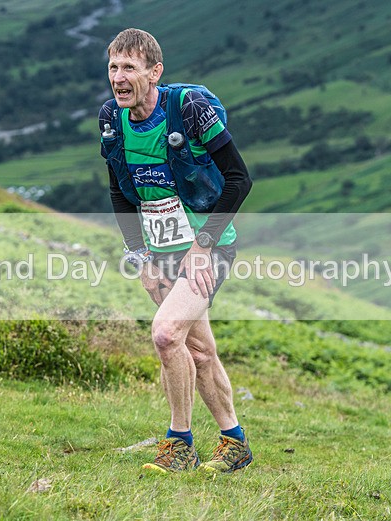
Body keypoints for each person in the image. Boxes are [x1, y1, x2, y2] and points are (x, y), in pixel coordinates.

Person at [99, 28, 253, 474]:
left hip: (207, 249)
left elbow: (240, 179)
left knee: (166, 334)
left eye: (130, 67)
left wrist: (203, 245)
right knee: (197, 350)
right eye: (113, 67)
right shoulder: (112, 118)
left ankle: (179, 444)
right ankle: (234, 441)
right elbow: (119, 194)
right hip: (162, 253)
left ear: (155, 72)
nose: (119, 77)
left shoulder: (188, 110)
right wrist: (141, 259)